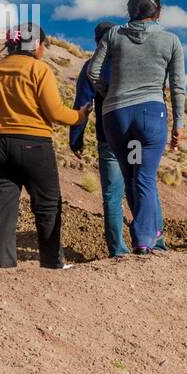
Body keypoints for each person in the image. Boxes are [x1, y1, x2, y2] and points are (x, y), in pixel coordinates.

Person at [0, 22, 91, 270]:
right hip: (33, 145)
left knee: (2, 209)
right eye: (43, 46)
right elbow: (55, 112)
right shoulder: (39, 70)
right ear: (35, 45)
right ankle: (51, 264)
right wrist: (80, 116)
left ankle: (3, 268)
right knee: (47, 206)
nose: (43, 51)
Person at [87, 0, 186, 255]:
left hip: (116, 117)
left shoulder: (113, 35)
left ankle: (147, 232)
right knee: (144, 177)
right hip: (149, 115)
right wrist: (179, 125)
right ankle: (145, 239)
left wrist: (107, 92)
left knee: (132, 174)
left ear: (130, 10)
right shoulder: (171, 41)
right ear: (159, 12)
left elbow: (93, 71)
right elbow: (177, 87)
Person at [70, 22, 129, 258]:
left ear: (97, 41)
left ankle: (118, 250)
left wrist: (76, 139)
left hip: (109, 138)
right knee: (141, 187)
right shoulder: (131, 62)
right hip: (137, 138)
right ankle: (152, 242)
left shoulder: (92, 66)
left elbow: (83, 105)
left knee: (113, 195)